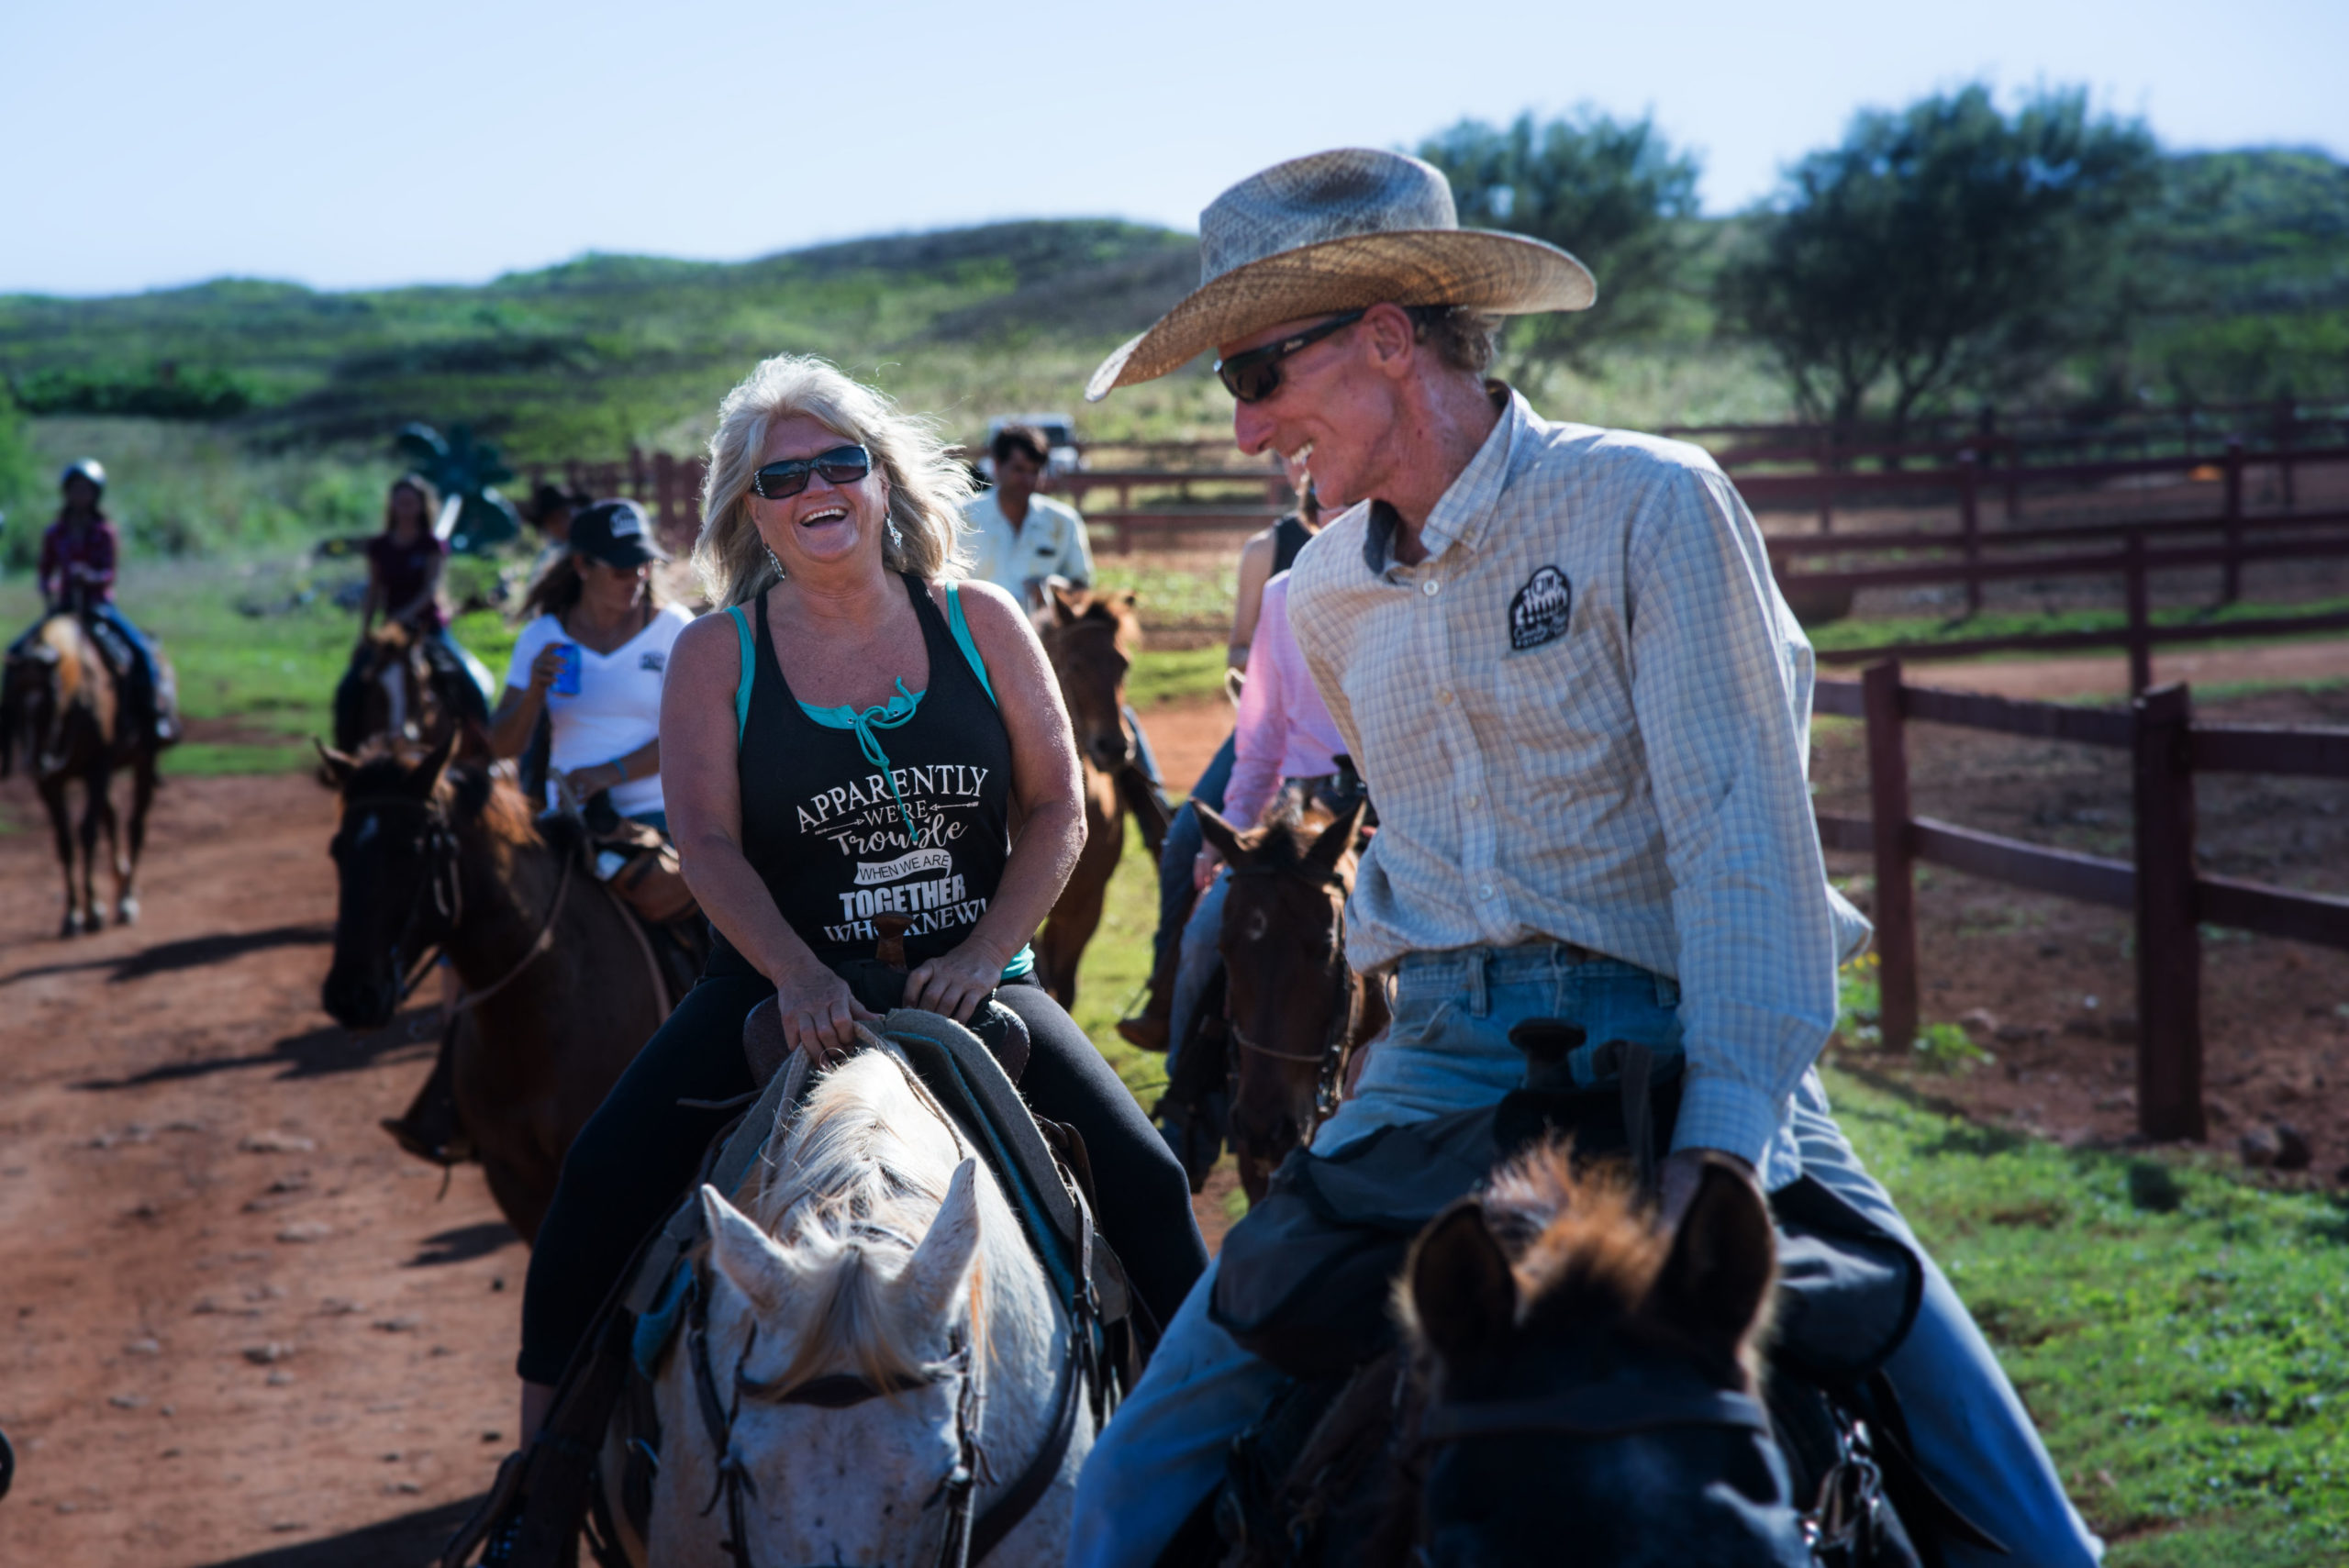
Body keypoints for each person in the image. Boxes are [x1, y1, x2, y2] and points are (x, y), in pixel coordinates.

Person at [1068, 149, 2100, 1567]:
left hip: (1685, 1043)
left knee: (2031, 1534)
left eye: (1255, 378)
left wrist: (1726, 1142)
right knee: (1124, 1488)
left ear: (1386, 336)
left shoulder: (1649, 506)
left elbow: (1745, 844)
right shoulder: (1322, 596)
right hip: (1431, 1068)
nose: (1248, 434)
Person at [510, 354, 1206, 1453]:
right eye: (782, 477)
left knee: (1152, 1189)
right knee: (595, 1184)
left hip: (977, 987)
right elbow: (705, 840)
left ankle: (1211, 1469)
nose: (814, 488)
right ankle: (534, 1493)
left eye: (841, 461)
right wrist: (795, 970)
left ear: (883, 480)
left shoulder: (980, 620)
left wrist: (985, 952)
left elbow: (1056, 806)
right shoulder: (715, 652)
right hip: (776, 988)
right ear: (750, 508)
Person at [1118, 450, 1320, 1051]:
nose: (1304, 462)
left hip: (1327, 742)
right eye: (1296, 454)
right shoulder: (1267, 552)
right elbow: (1238, 647)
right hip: (1274, 716)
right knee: (1185, 837)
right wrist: (1263, 669)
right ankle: (1165, 990)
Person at [487, 499, 689, 830]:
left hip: (661, 817)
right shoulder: (540, 636)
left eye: (645, 564)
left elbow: (695, 734)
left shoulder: (674, 627)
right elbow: (500, 746)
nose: (637, 578)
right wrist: (534, 693)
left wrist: (607, 775)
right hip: (570, 819)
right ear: (582, 566)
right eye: (622, 568)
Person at [13, 460, 176, 741]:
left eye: (85, 490)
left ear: (95, 494)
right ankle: (9, 729)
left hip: (98, 607)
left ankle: (151, 720)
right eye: (75, 489)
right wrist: (49, 589)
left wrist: (89, 577)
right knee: (16, 655)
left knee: (139, 652)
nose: (80, 496)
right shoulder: (55, 533)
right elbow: (44, 571)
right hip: (64, 607)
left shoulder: (104, 532)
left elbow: (108, 574)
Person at [337, 474, 496, 739]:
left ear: (422, 506)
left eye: (411, 502)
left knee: (468, 683)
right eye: (401, 502)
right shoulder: (380, 546)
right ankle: (344, 754)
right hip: (391, 634)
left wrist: (402, 616)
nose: (406, 508)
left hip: (429, 628)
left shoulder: (431, 544)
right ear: (393, 505)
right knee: (349, 687)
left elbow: (430, 589)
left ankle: (485, 747)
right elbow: (374, 591)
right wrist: (365, 632)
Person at [959, 422, 1095, 606]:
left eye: (1035, 471)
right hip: (972, 630)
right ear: (998, 466)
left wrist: (1054, 586)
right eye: (1019, 469)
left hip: (1041, 632)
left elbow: (1081, 585)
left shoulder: (1064, 521)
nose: (1028, 479)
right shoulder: (961, 516)